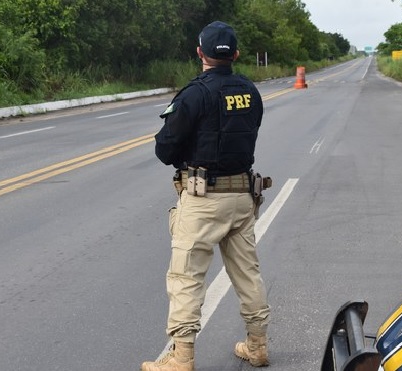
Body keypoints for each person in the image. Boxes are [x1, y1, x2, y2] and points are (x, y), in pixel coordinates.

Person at [142, 21, 270, 371]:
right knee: (248, 273)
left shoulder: (194, 94)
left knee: (186, 278)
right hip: (243, 197)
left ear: (200, 53)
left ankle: (181, 359)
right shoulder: (250, 91)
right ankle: (258, 346)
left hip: (202, 200)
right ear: (237, 55)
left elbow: (165, 149)